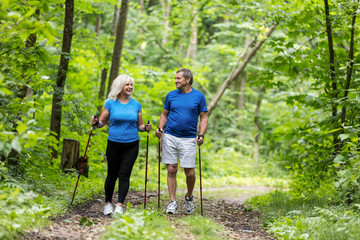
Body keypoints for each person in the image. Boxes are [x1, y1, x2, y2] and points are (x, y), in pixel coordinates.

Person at [91, 74, 152, 215]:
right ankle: (107, 203)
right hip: (114, 144)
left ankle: (119, 205)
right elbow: (101, 123)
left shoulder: (136, 105)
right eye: (127, 84)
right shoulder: (110, 103)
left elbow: (140, 125)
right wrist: (95, 123)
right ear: (120, 86)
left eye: (131, 84)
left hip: (131, 145)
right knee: (112, 174)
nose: (130, 87)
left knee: (124, 174)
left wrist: (146, 128)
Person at [155, 68, 208, 214]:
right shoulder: (171, 95)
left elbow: (204, 117)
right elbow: (164, 114)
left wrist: (201, 134)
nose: (175, 80)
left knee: (189, 172)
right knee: (171, 168)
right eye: (175, 78)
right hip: (170, 136)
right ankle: (172, 202)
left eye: (178, 78)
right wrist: (160, 128)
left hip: (189, 138)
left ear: (187, 80)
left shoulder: (199, 96)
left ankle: (189, 197)